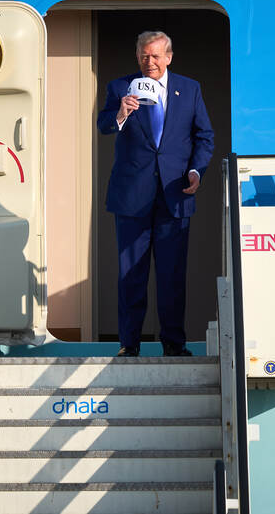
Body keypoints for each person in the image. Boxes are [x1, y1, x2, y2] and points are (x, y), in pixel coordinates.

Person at [97, 30, 215, 357]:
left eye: (155, 56)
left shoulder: (189, 89)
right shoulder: (120, 87)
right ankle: (129, 344)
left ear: (169, 58)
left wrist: (196, 170)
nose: (149, 62)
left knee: (171, 276)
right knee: (131, 275)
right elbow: (103, 125)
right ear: (138, 57)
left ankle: (174, 344)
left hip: (175, 194)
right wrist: (121, 113)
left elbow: (204, 136)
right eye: (144, 55)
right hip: (132, 196)